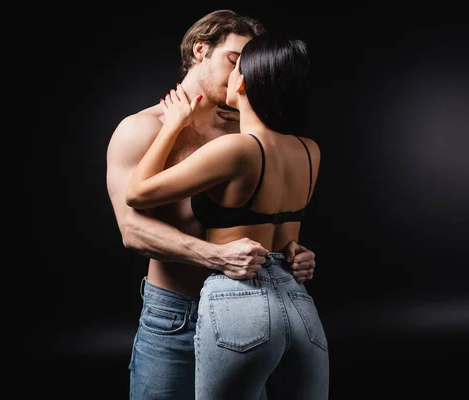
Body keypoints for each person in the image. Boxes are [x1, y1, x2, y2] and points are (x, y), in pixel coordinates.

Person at [106, 10, 318, 400]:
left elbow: (264, 217)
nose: (245, 75)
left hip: (250, 312)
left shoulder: (247, 131)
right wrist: (215, 257)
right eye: (234, 61)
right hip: (175, 316)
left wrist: (288, 252)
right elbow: (131, 229)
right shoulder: (142, 128)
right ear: (201, 50)